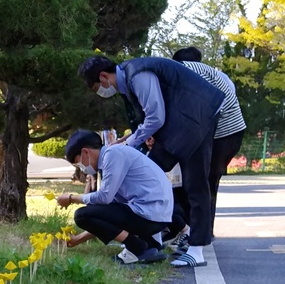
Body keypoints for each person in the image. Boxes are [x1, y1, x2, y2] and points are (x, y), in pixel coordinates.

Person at [78, 54, 225, 267]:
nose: (100, 93)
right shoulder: (130, 77)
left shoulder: (137, 74)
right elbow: (150, 118)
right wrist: (128, 139)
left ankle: (195, 248)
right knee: (151, 173)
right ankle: (153, 241)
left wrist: (128, 145)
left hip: (196, 120)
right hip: (182, 121)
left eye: (96, 88)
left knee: (196, 184)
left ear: (103, 76)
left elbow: (156, 116)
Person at [57, 129, 185, 265]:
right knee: (94, 211)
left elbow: (104, 197)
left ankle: (136, 248)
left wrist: (71, 198)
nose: (81, 168)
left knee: (82, 215)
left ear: (85, 152)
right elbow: (107, 216)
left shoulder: (112, 155)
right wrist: (78, 239)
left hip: (149, 214)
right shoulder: (113, 157)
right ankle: (147, 246)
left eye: (78, 163)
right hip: (155, 216)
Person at [172, 47, 246, 237]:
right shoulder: (215, 74)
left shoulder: (183, 70)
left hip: (218, 132)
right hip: (233, 131)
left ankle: (196, 230)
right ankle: (203, 229)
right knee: (209, 181)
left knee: (198, 181)